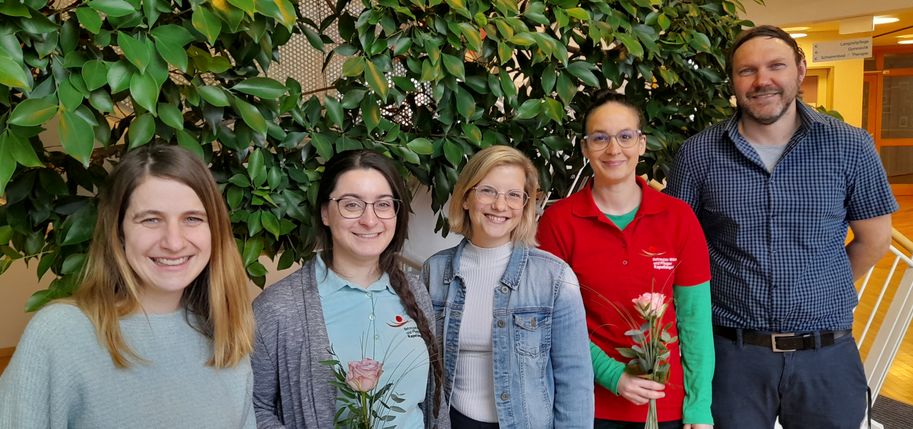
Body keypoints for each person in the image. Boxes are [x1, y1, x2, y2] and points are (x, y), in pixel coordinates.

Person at [665, 25, 897, 429]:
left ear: (800, 71)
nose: (762, 81)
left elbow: (875, 239)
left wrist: (821, 285)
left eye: (776, 66)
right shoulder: (698, 153)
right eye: (747, 71)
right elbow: (678, 248)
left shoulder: (850, 146)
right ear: (733, 82)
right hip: (731, 357)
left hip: (826, 355)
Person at [0, 145, 256, 428]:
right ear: (118, 232)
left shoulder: (226, 333)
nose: (174, 242)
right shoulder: (60, 334)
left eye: (192, 218)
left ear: (214, 230)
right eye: (151, 219)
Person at [538, 92, 714, 429]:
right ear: (585, 148)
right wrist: (612, 375)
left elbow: (694, 321)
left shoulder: (678, 217)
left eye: (625, 136)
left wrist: (699, 406)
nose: (614, 149)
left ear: (642, 144)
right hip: (585, 403)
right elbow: (551, 321)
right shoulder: (558, 222)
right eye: (600, 138)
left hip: (663, 405)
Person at [251, 150, 446, 428]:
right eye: (352, 205)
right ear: (325, 213)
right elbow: (252, 405)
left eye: (383, 204)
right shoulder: (279, 308)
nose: (369, 220)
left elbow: (433, 401)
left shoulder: (415, 291)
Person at [423, 145, 594, 428]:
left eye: (514, 195)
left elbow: (574, 379)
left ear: (525, 205)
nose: (500, 206)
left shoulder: (554, 277)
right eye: (487, 191)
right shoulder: (435, 271)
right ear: (466, 198)